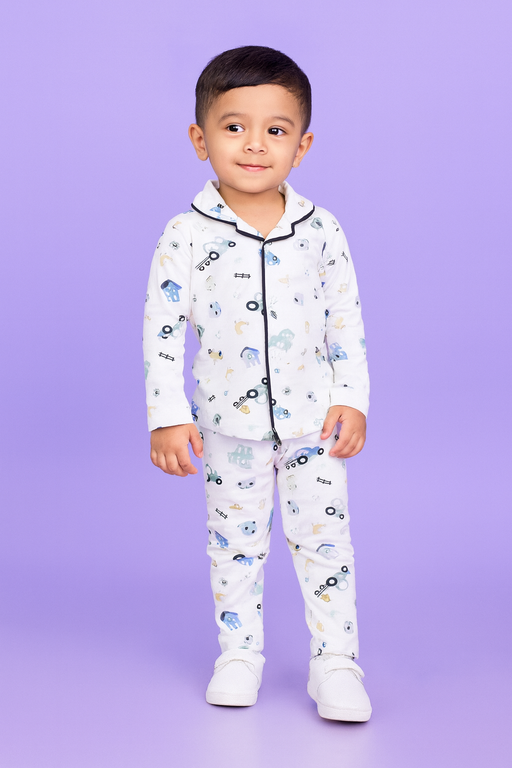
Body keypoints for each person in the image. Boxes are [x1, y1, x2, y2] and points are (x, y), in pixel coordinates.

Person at [142, 46, 371, 722]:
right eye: (234, 126)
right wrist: (167, 414)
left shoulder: (321, 231)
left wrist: (351, 399)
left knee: (326, 545)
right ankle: (239, 655)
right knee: (235, 545)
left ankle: (336, 663)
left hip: (314, 426)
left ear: (302, 146)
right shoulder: (185, 235)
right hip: (227, 427)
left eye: (275, 130)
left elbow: (345, 319)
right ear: (200, 138)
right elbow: (161, 330)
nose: (254, 144)